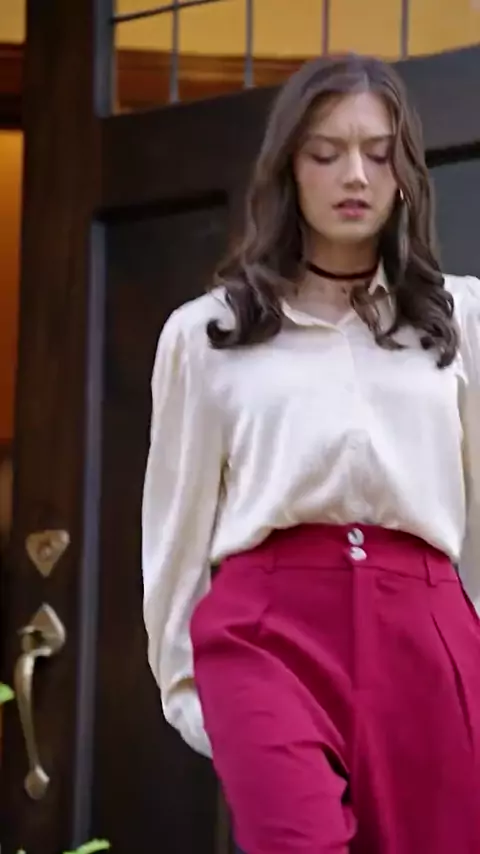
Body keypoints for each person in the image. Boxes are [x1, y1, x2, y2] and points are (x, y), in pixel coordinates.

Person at [142, 54, 480, 854]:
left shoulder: (463, 318)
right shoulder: (207, 334)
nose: (354, 175)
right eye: (325, 153)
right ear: (288, 170)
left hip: (426, 628)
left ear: (405, 174)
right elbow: (175, 531)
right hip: (265, 632)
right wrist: (190, 693)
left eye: (378, 153)